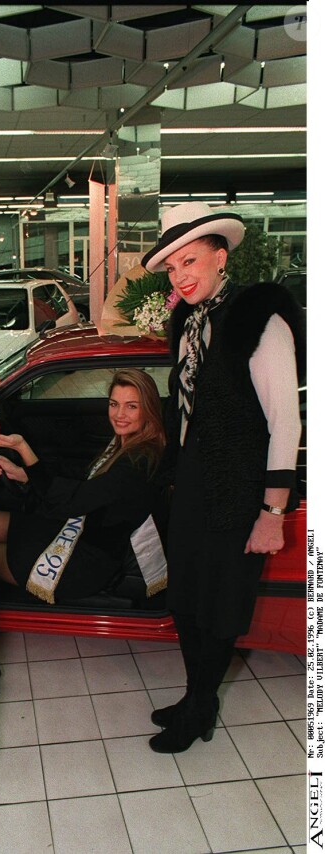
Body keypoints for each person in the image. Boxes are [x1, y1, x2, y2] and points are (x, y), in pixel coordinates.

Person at [141, 201, 305, 754]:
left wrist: (273, 513)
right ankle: (195, 697)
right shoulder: (187, 321)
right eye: (172, 267)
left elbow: (286, 421)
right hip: (192, 484)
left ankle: (202, 707)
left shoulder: (258, 318)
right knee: (186, 601)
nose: (182, 275)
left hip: (237, 492)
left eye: (190, 260)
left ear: (220, 254)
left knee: (218, 607)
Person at [0, 368, 167, 699]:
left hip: (85, 559)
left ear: (148, 408)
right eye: (114, 404)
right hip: (79, 530)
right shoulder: (129, 444)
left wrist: (22, 449)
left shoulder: (138, 461)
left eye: (132, 406)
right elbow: (83, 487)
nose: (119, 415)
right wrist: (24, 475)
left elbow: (77, 500)